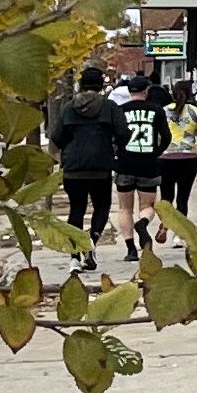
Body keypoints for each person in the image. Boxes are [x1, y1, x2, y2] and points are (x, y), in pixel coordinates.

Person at [50, 68, 124, 264]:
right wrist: (114, 147)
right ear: (101, 85)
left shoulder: (68, 108)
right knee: (102, 206)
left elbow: (57, 137)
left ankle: (74, 256)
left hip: (74, 167)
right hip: (101, 166)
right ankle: (91, 242)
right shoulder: (109, 107)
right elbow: (124, 133)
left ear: (81, 84)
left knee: (76, 209)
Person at [113, 73, 166, 256]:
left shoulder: (120, 110)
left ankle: (130, 249)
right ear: (147, 91)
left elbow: (114, 138)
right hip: (148, 163)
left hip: (125, 163)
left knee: (124, 208)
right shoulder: (157, 110)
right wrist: (156, 152)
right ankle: (142, 223)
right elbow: (166, 137)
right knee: (147, 205)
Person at [159, 79, 197, 227]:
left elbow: (158, 136)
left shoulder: (164, 111)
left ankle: (166, 224)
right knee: (182, 198)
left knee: (166, 198)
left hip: (165, 158)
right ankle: (179, 234)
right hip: (188, 159)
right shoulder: (196, 112)